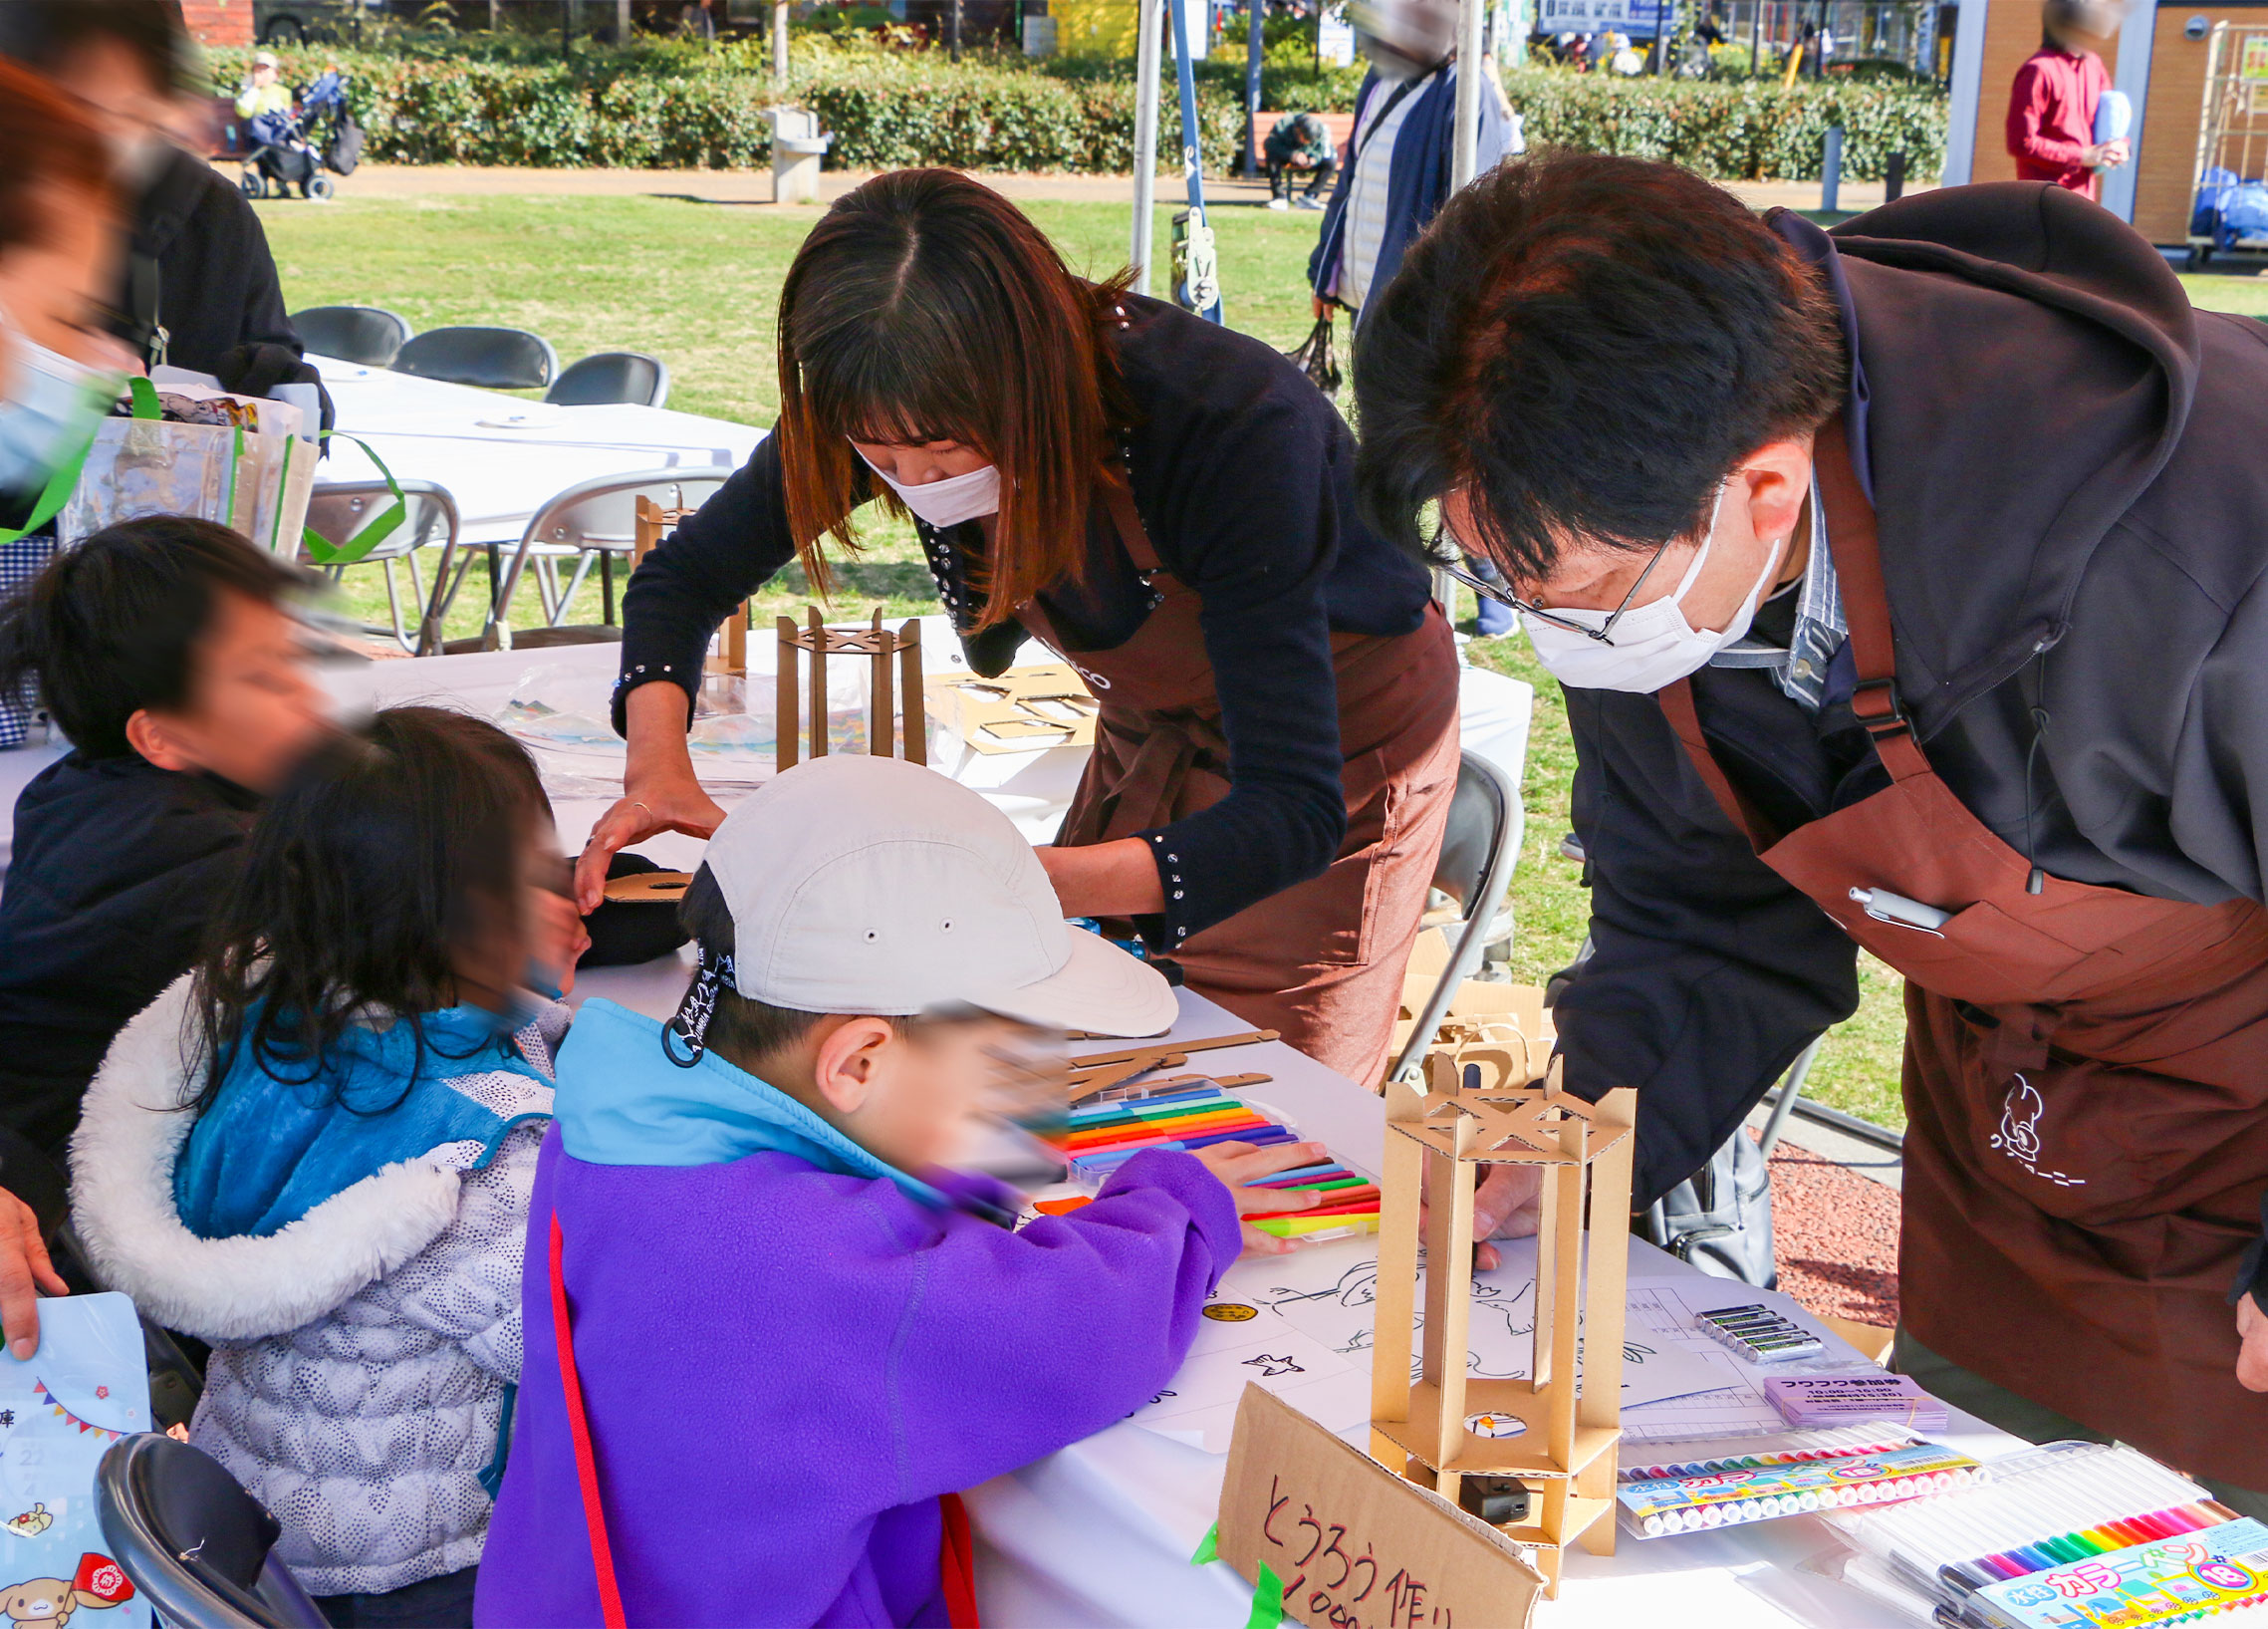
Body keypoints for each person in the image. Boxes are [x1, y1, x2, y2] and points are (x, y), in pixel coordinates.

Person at [1354, 148, 2268, 1514]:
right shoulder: (1643, 519)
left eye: (1575, 594)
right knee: (1972, 1527)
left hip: (2243, 1131)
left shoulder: (2198, 548)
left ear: (1765, 493)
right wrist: (1582, 1129)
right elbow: (1701, 909)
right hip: (2004, 1121)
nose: (1551, 634)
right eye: (1494, 576)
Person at [578, 170, 1460, 1086]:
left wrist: (1009, 880)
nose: (914, 481)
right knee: (1066, 1045)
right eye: (880, 458)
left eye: (943, 449)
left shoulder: (1228, 426)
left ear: (1023, 384)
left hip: (1334, 753)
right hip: (1152, 725)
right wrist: (657, 769)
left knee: (1258, 1092)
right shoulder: (877, 391)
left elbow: (1291, 814)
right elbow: (683, 579)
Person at [483, 754, 1325, 1627]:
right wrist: (1183, 1205)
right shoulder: (815, 1266)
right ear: (857, 1062)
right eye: (1002, 1067)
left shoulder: (616, 1132)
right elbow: (1071, 1333)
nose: (1029, 1108)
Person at [71, 705, 588, 1629]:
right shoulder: (474, 1161)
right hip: (425, 1566)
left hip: (254, 1520)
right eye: (537, 878)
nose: (571, 897)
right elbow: (589, 1348)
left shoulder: (258, 1032)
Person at [0, 516, 327, 1159]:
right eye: (266, 677)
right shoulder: (209, 870)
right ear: (162, 736)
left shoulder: (73, 782)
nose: (310, 695)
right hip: (69, 1170)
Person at [0, 0, 326, 398]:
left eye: (139, 117)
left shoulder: (216, 217)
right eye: (81, 108)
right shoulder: (26, 200)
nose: (109, 140)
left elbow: (273, 354)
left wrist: (279, 382)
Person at [1311, 6, 1515, 636]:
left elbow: (1477, 211)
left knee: (1437, 449)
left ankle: (1491, 589)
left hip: (1421, 313)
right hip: (1371, 296)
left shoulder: (1467, 94)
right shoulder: (1383, 80)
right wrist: (1326, 271)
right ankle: (1400, 585)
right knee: (1395, 450)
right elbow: (1354, 182)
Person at [2007, 0, 2128, 199]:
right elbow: (2021, 142)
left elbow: (2107, 117)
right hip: (2045, 201)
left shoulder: (2093, 65)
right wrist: (2082, 156)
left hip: (2083, 199)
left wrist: (2120, 145)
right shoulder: (2038, 70)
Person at [1264, 110, 1337, 210]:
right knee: (1272, 157)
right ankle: (1279, 197)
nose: (1307, 142)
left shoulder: (1320, 129)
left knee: (1330, 161)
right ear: (1298, 130)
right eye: (1305, 139)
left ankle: (1310, 196)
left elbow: (1322, 148)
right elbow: (1269, 144)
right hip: (1287, 155)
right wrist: (1292, 155)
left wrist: (1314, 158)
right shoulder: (1284, 124)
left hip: (1307, 158)